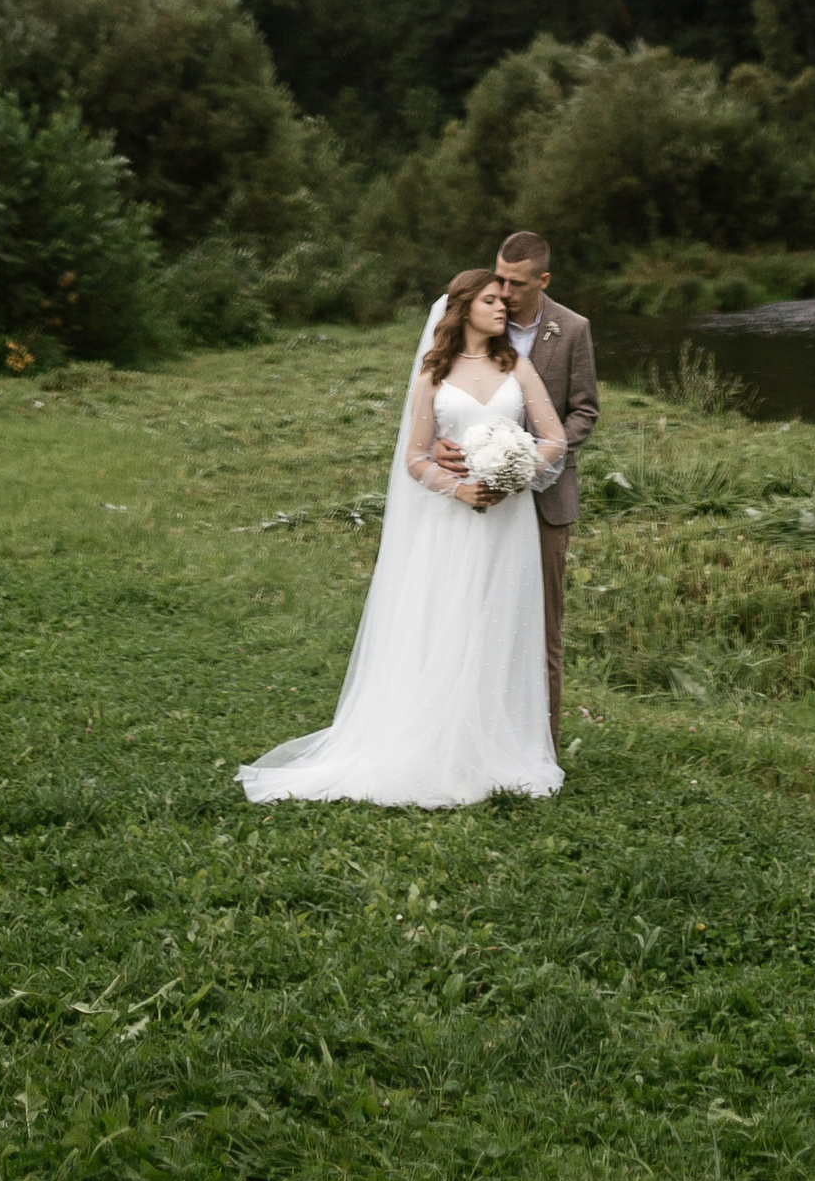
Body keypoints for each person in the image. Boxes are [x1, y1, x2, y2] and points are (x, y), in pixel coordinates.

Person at [235, 268, 566, 808]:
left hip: (509, 520)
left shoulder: (517, 367)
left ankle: (495, 743)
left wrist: (517, 470)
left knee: (500, 620)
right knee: (449, 620)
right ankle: (437, 744)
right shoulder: (432, 376)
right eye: (490, 300)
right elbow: (414, 458)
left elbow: (553, 437)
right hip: (451, 521)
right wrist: (457, 490)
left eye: (503, 300)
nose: (502, 307)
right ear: (462, 309)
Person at [488, 231, 598, 756]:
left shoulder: (573, 328)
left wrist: (540, 455)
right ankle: (484, 734)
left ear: (543, 280)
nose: (504, 290)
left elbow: (585, 410)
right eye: (500, 278)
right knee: (487, 613)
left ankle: (543, 747)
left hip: (548, 500)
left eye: (515, 283)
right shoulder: (480, 318)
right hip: (484, 492)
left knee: (543, 623)